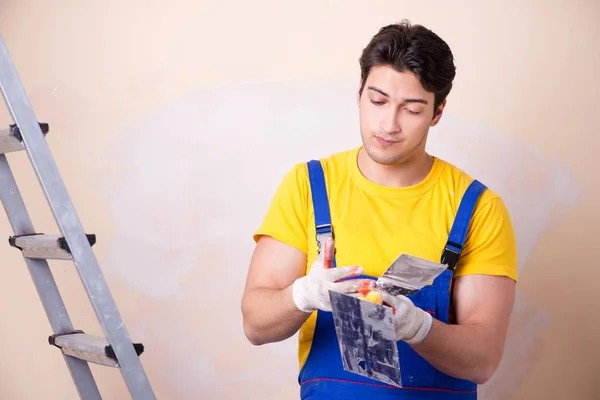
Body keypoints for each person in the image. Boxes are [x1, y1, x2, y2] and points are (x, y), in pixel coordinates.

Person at [241, 19, 517, 399]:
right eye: (378, 100)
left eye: (413, 109)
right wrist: (303, 295)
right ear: (359, 94)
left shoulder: (478, 209)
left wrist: (417, 327)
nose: (389, 124)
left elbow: (483, 360)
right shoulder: (308, 186)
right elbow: (255, 325)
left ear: (437, 113)